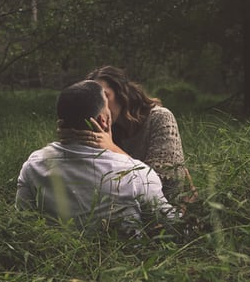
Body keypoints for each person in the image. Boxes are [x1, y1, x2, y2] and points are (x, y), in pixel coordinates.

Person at [16, 80, 177, 237]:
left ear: (60, 123)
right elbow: (172, 224)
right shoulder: (138, 173)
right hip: (127, 260)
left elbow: (23, 224)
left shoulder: (33, 165)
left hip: (55, 259)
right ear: (103, 121)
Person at [58, 65, 197, 204]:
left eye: (106, 97)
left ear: (122, 93)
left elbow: (162, 183)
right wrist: (71, 136)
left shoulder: (160, 118)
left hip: (165, 208)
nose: (101, 106)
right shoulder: (103, 126)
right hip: (122, 207)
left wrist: (111, 148)